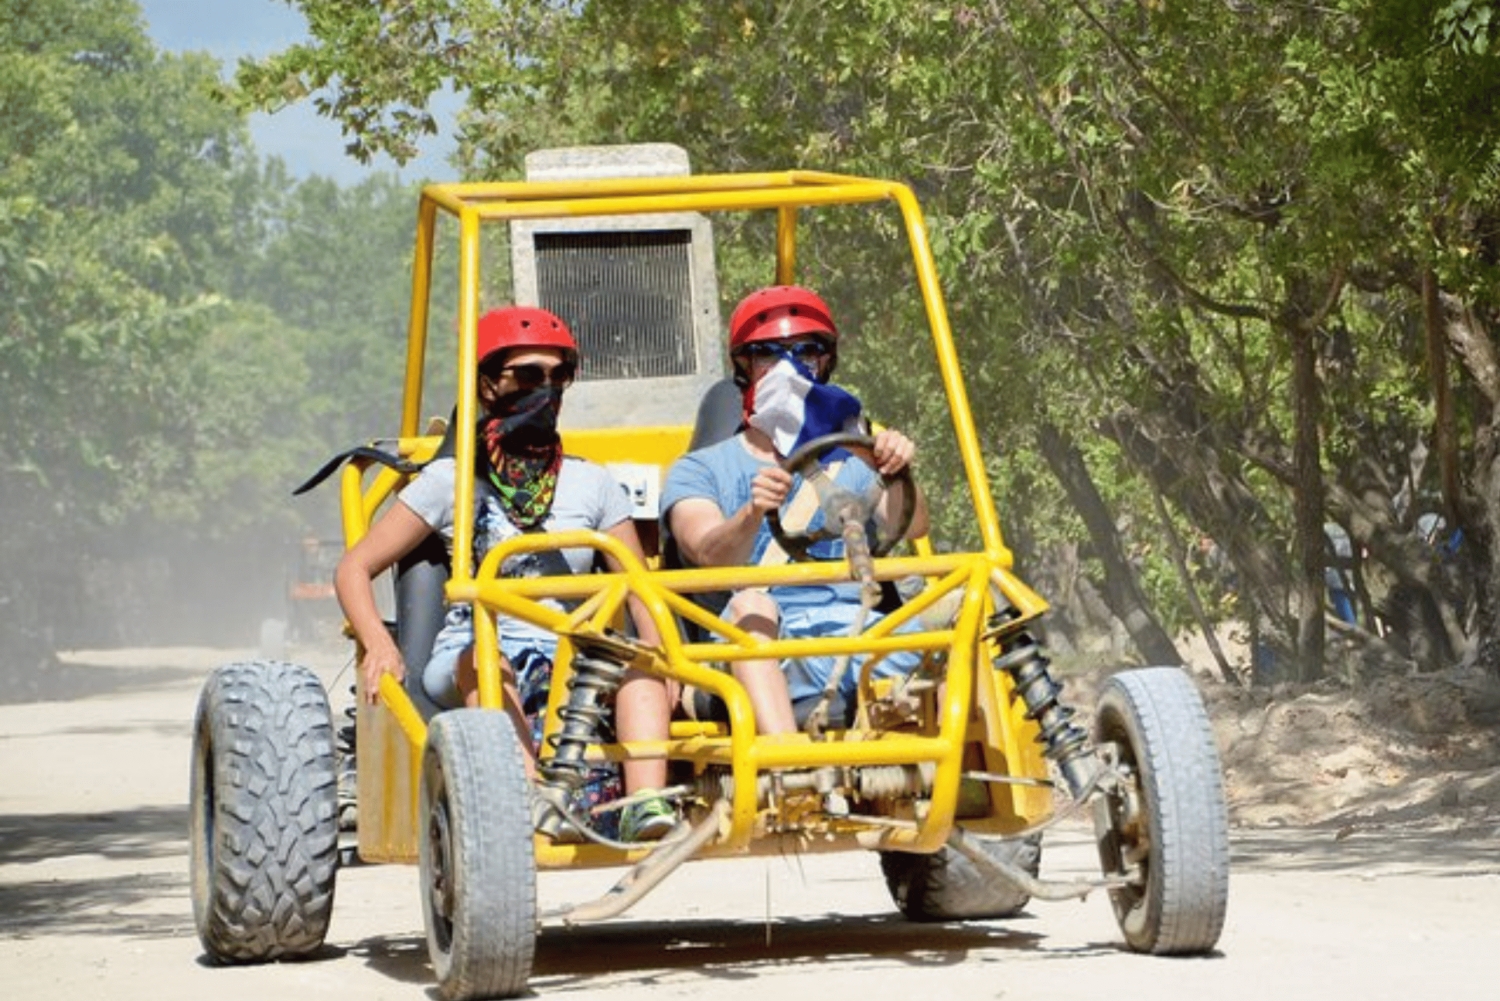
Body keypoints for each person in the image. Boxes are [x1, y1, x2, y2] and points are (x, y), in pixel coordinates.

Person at [334, 305, 676, 840]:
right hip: (474, 650)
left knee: (639, 666)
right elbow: (355, 567)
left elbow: (639, 589)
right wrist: (379, 642)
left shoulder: (593, 484)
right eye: (528, 374)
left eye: (558, 375)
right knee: (489, 662)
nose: (547, 387)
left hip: (568, 651)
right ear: (490, 385)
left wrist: (660, 655)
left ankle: (646, 803)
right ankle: (530, 803)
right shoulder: (450, 481)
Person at [661, 285, 929, 734]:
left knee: (970, 610)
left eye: (806, 351)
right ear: (745, 367)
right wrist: (751, 513)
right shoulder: (701, 468)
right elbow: (708, 554)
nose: (789, 366)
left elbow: (915, 524)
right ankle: (789, 774)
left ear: (825, 363)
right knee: (751, 604)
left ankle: (1000, 775)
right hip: (762, 646)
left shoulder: (854, 454)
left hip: (856, 630)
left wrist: (893, 468)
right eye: (769, 354)